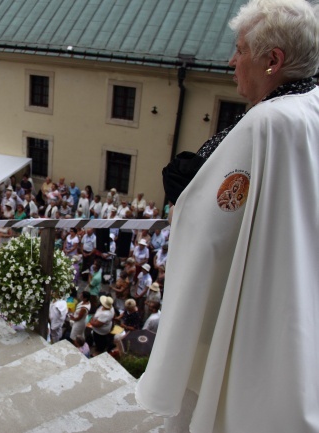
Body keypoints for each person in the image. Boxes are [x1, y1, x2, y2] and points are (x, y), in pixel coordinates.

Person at [136, 2, 319, 432]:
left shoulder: (267, 123)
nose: (231, 61)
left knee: (208, 398)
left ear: (273, 61)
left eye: (240, 51)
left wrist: (186, 198)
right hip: (291, 288)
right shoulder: (310, 103)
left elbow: (210, 228)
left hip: (238, 302)